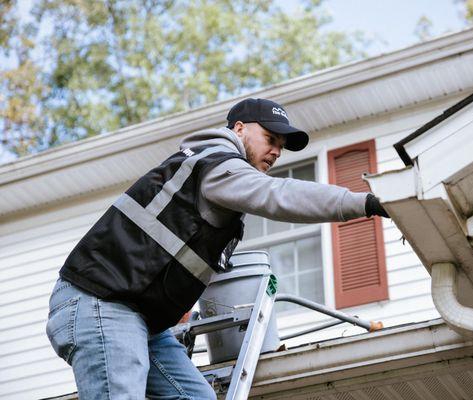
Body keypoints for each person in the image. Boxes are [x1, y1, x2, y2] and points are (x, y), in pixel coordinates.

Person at [46, 98, 390, 399]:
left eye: (281, 146)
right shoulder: (218, 164)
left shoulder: (212, 176)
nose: (276, 151)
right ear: (239, 128)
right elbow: (280, 195)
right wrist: (368, 203)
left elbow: (169, 253)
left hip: (141, 319)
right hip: (99, 303)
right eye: (270, 139)